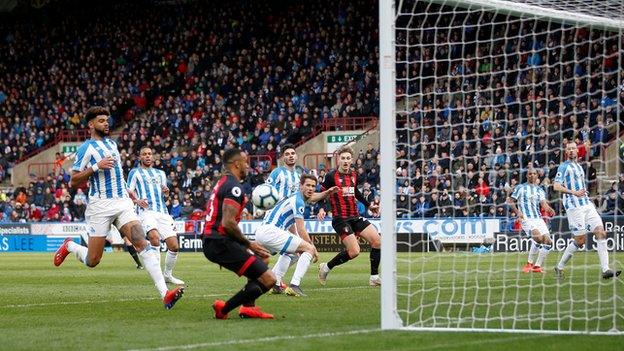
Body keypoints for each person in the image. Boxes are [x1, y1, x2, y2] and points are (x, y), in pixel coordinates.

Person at [53, 106, 184, 309]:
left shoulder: (112, 145)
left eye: (107, 120)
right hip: (100, 206)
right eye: (101, 121)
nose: (106, 123)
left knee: (142, 242)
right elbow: (73, 180)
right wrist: (97, 166)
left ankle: (165, 294)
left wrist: (131, 195)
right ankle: (70, 246)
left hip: (122, 202)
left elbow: (118, 175)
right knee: (93, 260)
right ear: (91, 125)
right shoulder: (86, 149)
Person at [203, 148, 276, 319]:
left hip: (216, 240)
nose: (248, 166)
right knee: (269, 279)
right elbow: (227, 223)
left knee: (263, 259)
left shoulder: (224, 182)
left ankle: (248, 307)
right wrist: (249, 244)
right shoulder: (234, 187)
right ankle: (224, 309)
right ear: (237, 164)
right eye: (245, 161)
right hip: (219, 242)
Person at [255, 174, 338, 297]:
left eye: (313, 186)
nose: (310, 188)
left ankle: (276, 284)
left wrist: (326, 193)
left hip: (263, 232)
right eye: (307, 185)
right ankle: (294, 285)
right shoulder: (298, 201)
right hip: (271, 232)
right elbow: (301, 228)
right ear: (300, 186)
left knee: (292, 253)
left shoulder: (294, 198)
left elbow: (292, 224)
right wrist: (312, 247)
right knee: (308, 249)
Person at [553, 142, 621, 279]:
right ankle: (559, 266)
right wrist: (574, 192)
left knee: (601, 232)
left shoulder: (579, 166)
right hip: (574, 207)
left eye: (574, 148)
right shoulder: (563, 167)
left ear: (578, 151)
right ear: (566, 152)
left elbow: (582, 187)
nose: (571, 151)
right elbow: (556, 186)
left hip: (586, 205)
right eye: (569, 149)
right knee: (580, 241)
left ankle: (605, 269)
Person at [317, 146, 381, 286]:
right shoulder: (330, 176)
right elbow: (322, 193)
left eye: (348, 158)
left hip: (355, 216)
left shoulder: (353, 174)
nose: (345, 161)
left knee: (377, 241)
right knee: (354, 252)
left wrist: (369, 205)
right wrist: (321, 208)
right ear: (338, 160)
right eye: (343, 158)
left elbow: (356, 193)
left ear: (352, 160)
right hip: (340, 219)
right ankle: (326, 267)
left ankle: (374, 277)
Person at [127, 147, 184, 285]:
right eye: (144, 154)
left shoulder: (161, 174)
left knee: (174, 246)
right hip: (146, 212)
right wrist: (136, 201)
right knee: (154, 237)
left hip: (162, 212)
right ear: (139, 157)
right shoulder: (134, 173)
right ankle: (158, 276)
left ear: (152, 157)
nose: (147, 156)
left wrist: (166, 194)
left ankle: (167, 275)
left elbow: (164, 197)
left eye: (149, 154)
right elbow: (127, 192)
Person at [265, 144, 302, 293]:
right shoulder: (277, 172)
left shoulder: (298, 176)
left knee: (296, 251)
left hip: (289, 219)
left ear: (296, 156)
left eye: (293, 153)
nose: (291, 156)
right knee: (269, 250)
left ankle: (274, 279)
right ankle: (271, 279)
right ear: (283, 157)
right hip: (276, 218)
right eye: (287, 154)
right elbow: (266, 191)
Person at [508, 168, 555, 273]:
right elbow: (510, 201)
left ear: (537, 176)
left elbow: (543, 203)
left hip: (538, 218)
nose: (532, 175)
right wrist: (517, 212)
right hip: (526, 218)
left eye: (534, 174)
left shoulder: (540, 190)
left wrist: (549, 209)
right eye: (530, 174)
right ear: (526, 176)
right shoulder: (520, 188)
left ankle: (537, 266)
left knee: (548, 242)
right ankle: (529, 263)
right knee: (538, 238)